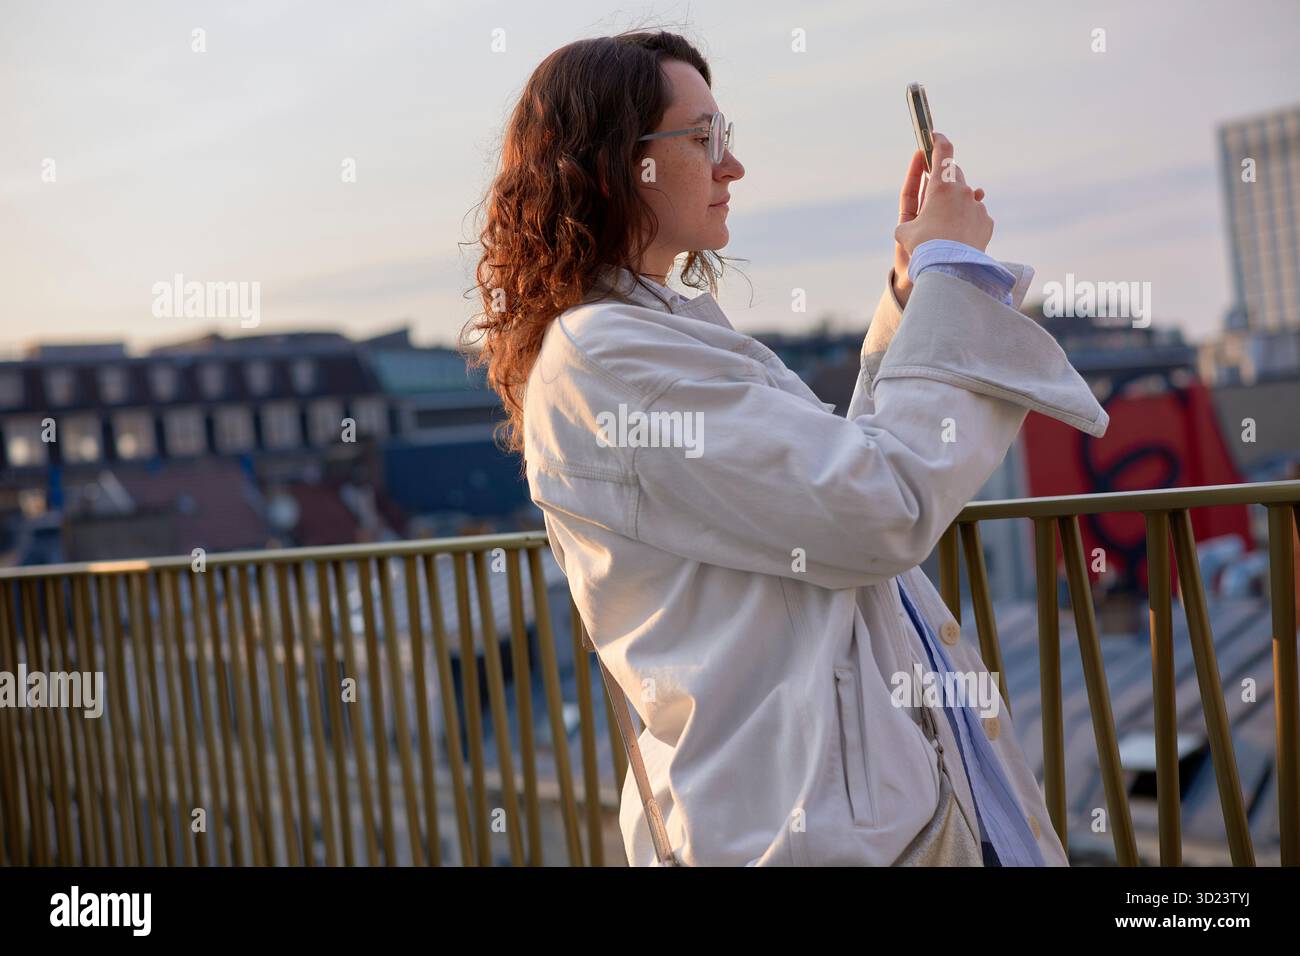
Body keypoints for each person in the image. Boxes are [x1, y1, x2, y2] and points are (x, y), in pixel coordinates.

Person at [462, 29, 1108, 866]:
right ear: (617, 162)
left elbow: (835, 477)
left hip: (837, 818)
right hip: (816, 834)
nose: (732, 166)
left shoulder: (640, 339)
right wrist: (953, 272)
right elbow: (878, 508)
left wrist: (915, 292)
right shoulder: (611, 359)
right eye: (704, 138)